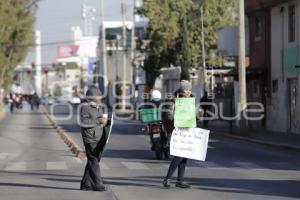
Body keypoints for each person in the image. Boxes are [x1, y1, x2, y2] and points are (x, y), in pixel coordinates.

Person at [161, 80, 193, 189]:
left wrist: (198, 115)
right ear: (181, 90)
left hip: (186, 129)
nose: (189, 92)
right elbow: (168, 114)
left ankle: (180, 180)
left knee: (185, 155)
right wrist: (177, 123)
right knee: (179, 155)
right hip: (175, 129)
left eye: (190, 90)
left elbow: (191, 115)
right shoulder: (172, 99)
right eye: (186, 90)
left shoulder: (189, 99)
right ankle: (167, 179)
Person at [79, 86, 108, 192]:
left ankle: (85, 184)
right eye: (98, 95)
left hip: (98, 138)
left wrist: (106, 122)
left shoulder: (99, 107)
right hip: (90, 138)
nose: (100, 97)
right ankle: (98, 184)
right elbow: (83, 122)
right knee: (94, 161)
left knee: (92, 161)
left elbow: (100, 120)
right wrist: (99, 121)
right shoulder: (85, 107)